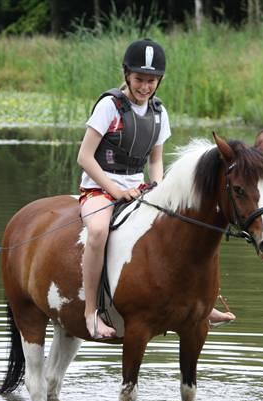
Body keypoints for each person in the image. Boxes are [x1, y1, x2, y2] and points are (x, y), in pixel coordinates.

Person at [77, 39, 233, 340]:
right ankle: (91, 313)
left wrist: (160, 190)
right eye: (139, 79)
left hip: (140, 188)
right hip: (99, 189)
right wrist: (114, 189)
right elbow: (84, 157)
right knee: (97, 232)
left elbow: (156, 159)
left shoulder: (160, 113)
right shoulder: (109, 106)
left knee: (181, 228)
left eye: (151, 81)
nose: (145, 87)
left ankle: (203, 303)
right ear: (126, 75)